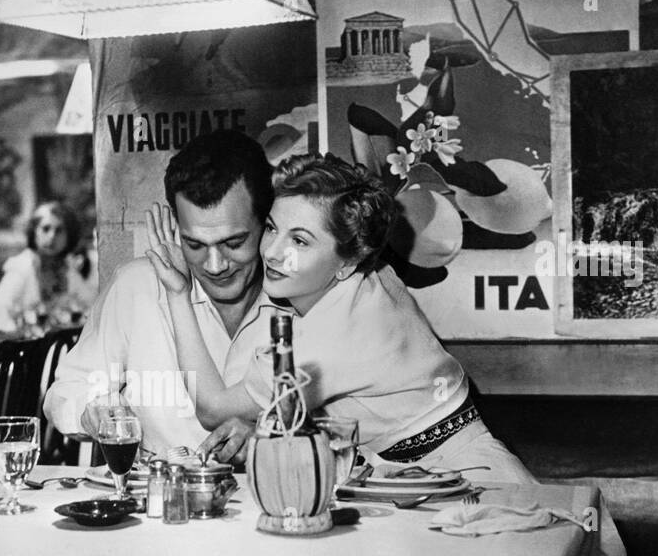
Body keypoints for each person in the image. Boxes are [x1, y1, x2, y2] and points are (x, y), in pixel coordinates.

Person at [144, 152, 534, 482]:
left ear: (347, 261)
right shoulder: (373, 275)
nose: (274, 253)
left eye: (300, 240)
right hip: (415, 472)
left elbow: (214, 409)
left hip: (474, 478)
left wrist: (179, 292)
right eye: (272, 229)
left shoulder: (328, 335)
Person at [44, 129, 281, 461]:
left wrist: (272, 435)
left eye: (234, 243)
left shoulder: (299, 295)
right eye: (194, 244)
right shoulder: (138, 287)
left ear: (267, 223)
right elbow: (65, 392)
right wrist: (92, 413)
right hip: (161, 502)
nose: (215, 265)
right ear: (175, 224)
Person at [0, 201, 98, 329]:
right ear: (34, 232)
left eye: (59, 231)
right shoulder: (23, 266)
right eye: (46, 229)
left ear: (69, 235)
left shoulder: (68, 267)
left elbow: (90, 306)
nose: (52, 236)